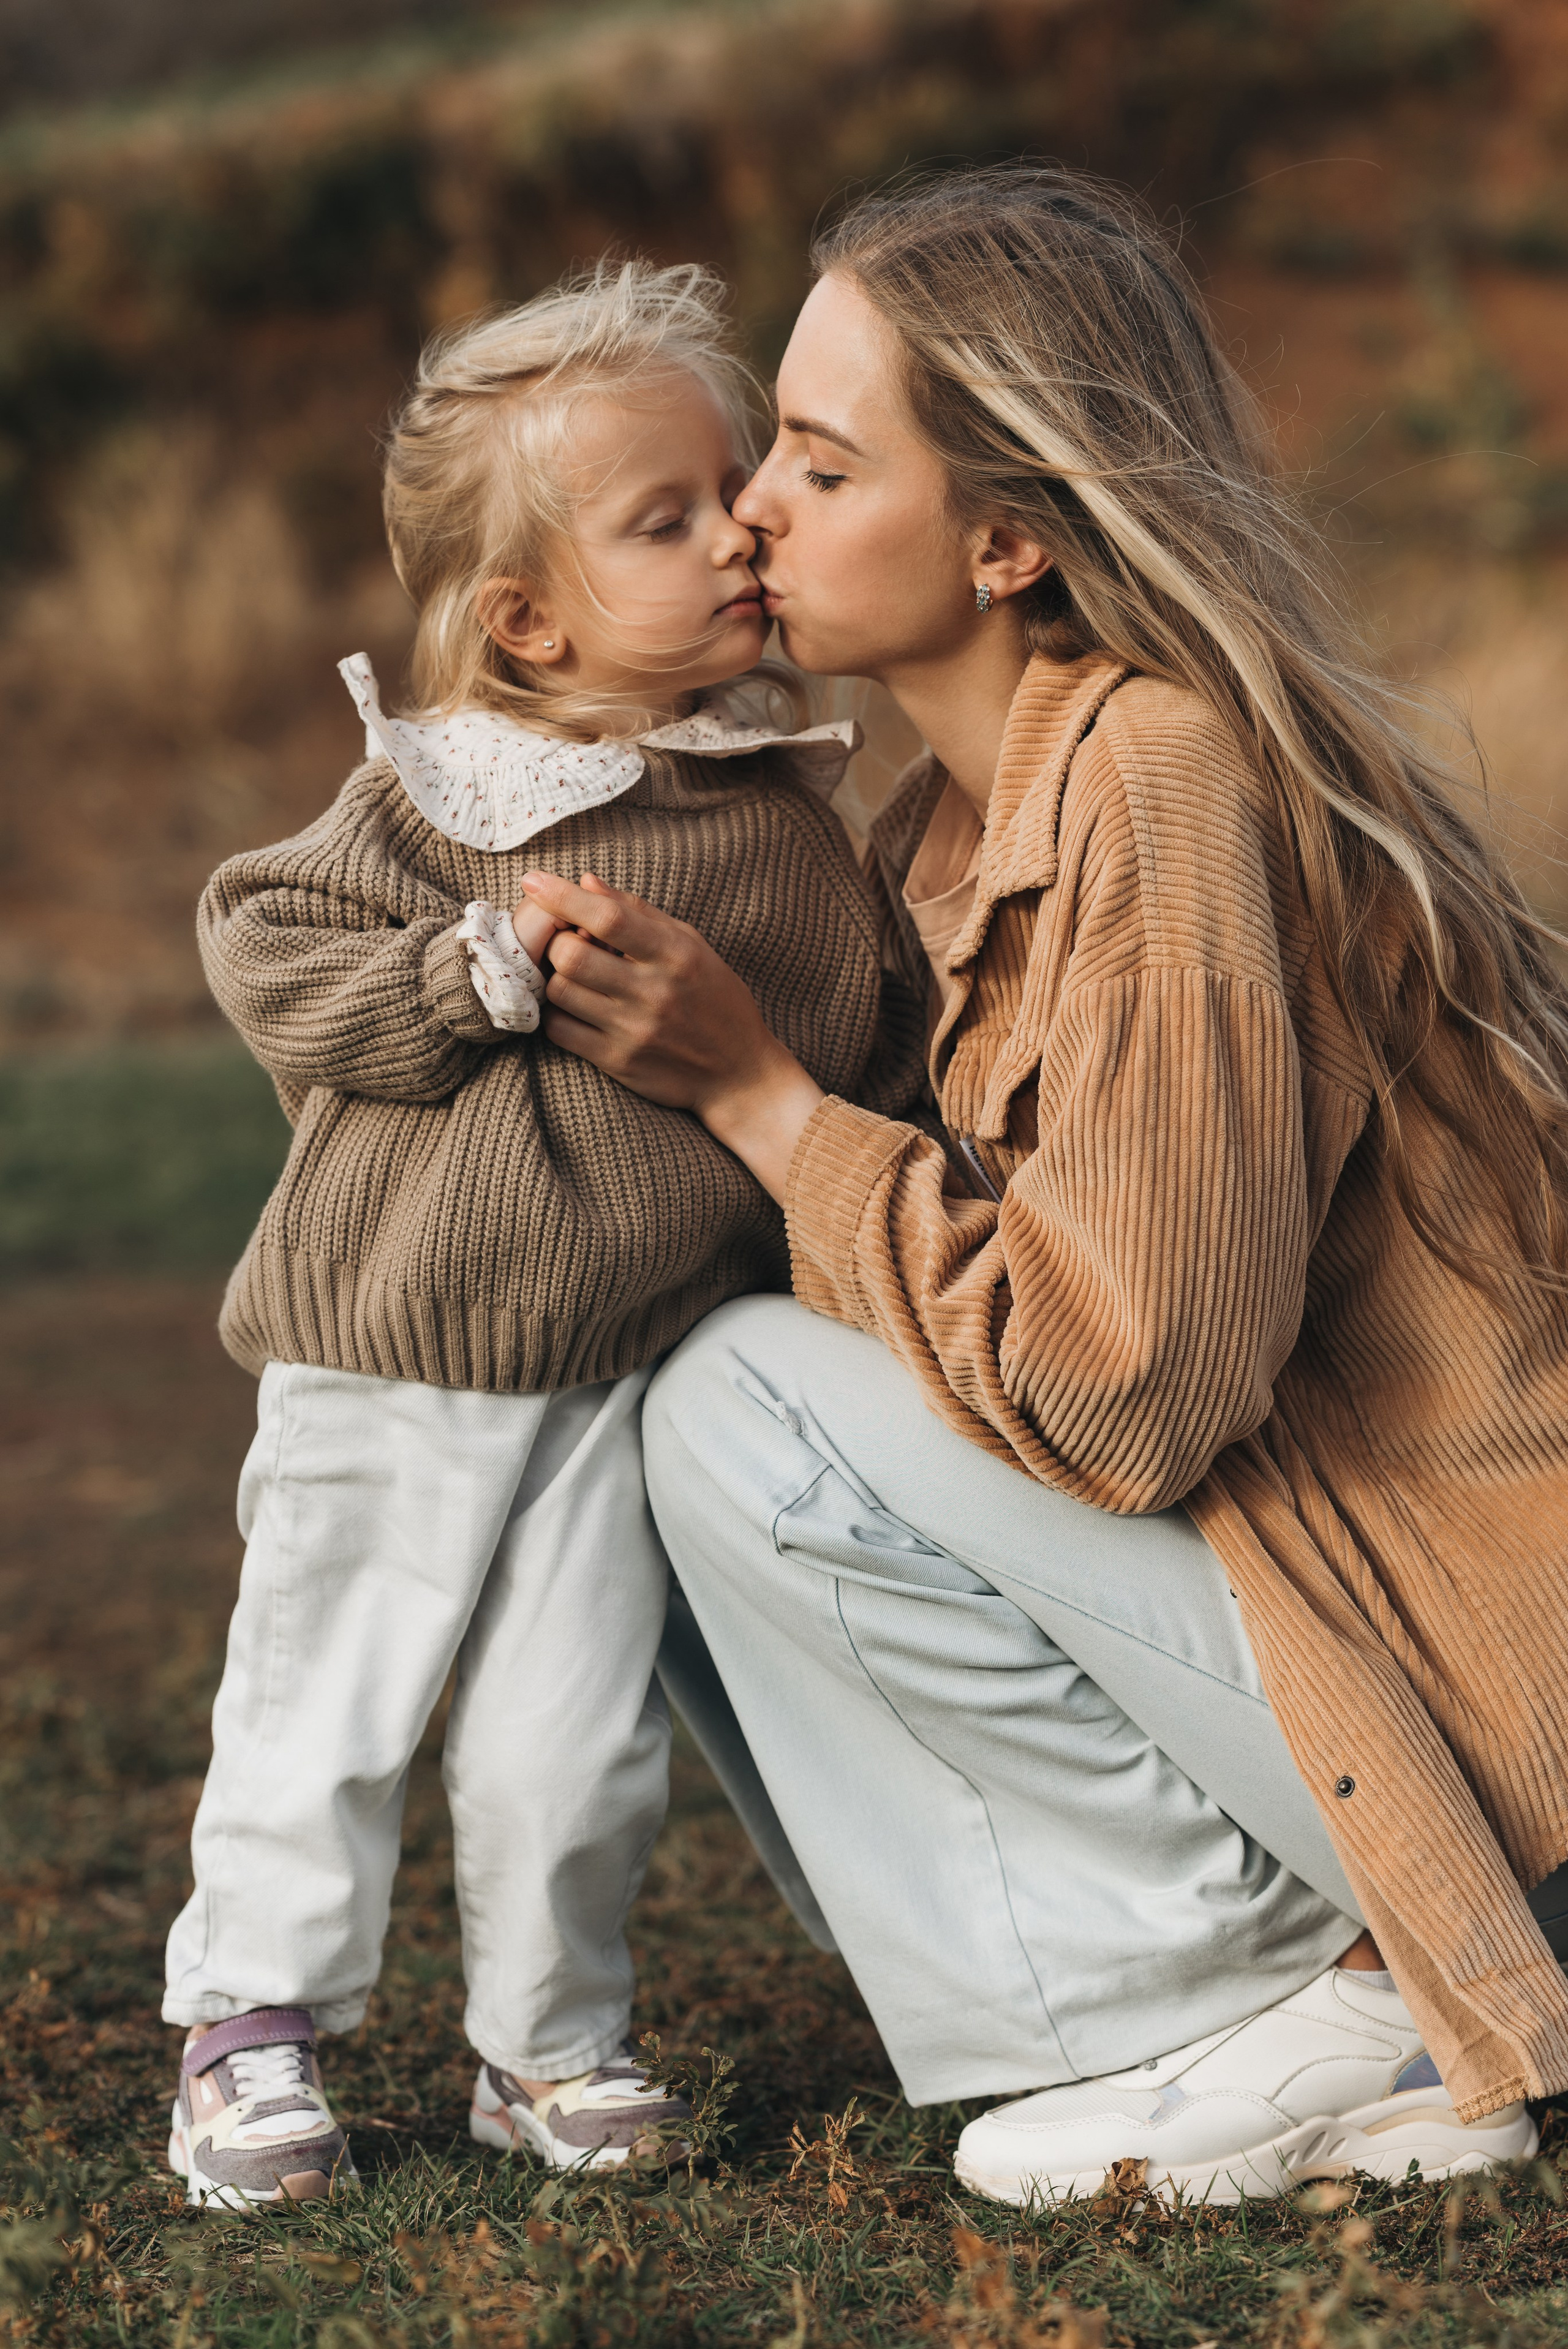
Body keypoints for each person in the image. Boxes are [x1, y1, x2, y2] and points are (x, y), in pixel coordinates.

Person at [516, 167, 1568, 2207]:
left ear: (1005, 535)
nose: (746, 517)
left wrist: (763, 1103)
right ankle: (1240, 1994)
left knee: (741, 1399)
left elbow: (1125, 1386)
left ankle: (1351, 1991)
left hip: (1482, 1709)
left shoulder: (1160, 774)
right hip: (1334, 1633)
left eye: (817, 467)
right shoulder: (937, 833)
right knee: (646, 1394)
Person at [162, 260, 919, 2210]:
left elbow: (857, 1050)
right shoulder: (441, 787)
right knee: (326, 1708)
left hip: (619, 1369)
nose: (737, 532)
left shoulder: (781, 821)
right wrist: (461, 973)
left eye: (738, 485)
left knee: (573, 1743)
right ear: (525, 611)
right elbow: (262, 947)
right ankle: (250, 2028)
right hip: (392, 1339)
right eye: (664, 520)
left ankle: (546, 2040)